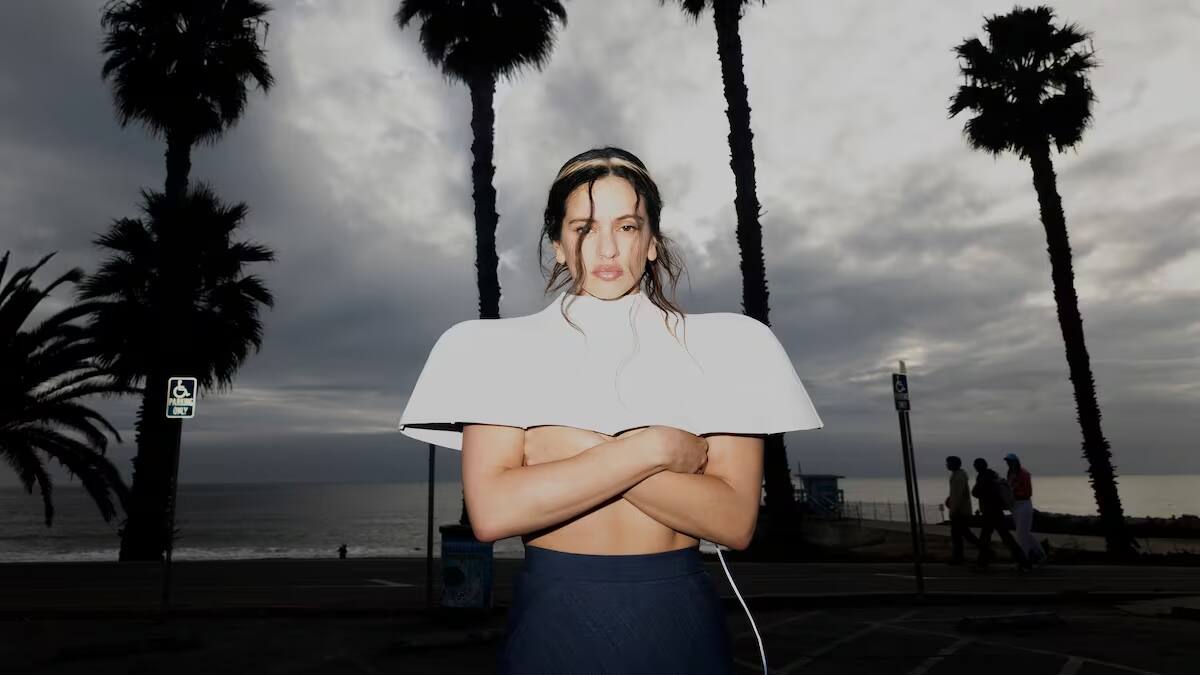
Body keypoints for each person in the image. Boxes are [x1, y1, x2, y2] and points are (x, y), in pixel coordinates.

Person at [396, 147, 823, 675]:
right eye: (584, 228)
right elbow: (493, 513)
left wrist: (572, 449)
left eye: (626, 226)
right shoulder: (489, 349)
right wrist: (653, 449)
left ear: (652, 242)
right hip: (552, 626)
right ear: (558, 244)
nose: (606, 248)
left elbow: (733, 522)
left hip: (679, 624)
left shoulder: (731, 346)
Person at [971, 457, 1031, 571]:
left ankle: (982, 563)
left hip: (990, 512)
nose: (975, 467)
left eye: (976, 465)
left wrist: (978, 488)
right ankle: (1024, 561)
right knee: (1005, 537)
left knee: (987, 538)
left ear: (979, 466)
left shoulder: (984, 477)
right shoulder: (993, 475)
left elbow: (975, 492)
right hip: (996, 511)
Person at [1004, 453, 1043, 565]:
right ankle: (1040, 554)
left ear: (1016, 462)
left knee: (1021, 534)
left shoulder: (1024, 474)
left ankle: (1024, 558)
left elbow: (1028, 493)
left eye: (1010, 461)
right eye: (1007, 461)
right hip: (1015, 506)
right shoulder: (1010, 473)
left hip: (1024, 505)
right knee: (1024, 533)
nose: (1008, 463)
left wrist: (1013, 493)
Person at [944, 456, 979, 564]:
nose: (947, 465)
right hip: (960, 511)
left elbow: (958, 496)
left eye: (949, 463)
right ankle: (959, 557)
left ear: (954, 464)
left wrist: (953, 510)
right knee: (963, 534)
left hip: (959, 512)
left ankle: (959, 557)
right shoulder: (957, 475)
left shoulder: (959, 477)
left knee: (958, 535)